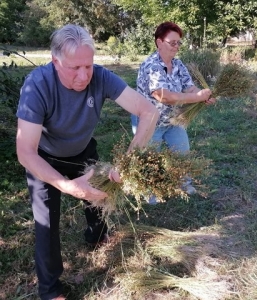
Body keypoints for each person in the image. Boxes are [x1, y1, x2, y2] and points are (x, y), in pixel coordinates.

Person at [16, 24, 159, 300]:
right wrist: (68, 186)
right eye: (74, 68)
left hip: (82, 150)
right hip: (45, 158)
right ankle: (50, 290)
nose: (83, 76)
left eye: (88, 66)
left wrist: (127, 162)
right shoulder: (37, 85)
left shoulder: (101, 77)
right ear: (55, 61)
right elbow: (26, 153)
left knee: (98, 196)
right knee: (45, 223)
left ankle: (97, 235)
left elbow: (148, 111)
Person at [131, 21, 215, 203]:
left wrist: (203, 95)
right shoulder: (151, 65)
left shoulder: (177, 64)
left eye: (179, 43)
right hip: (149, 122)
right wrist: (196, 98)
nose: (176, 47)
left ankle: (183, 183)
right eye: (172, 43)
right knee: (150, 160)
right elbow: (163, 96)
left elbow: (189, 87)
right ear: (159, 42)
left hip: (172, 120)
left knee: (182, 152)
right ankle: (149, 192)